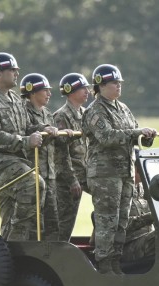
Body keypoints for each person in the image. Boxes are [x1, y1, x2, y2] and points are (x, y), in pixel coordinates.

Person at [82, 64, 156, 275]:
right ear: (101, 86)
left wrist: (146, 137)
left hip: (125, 172)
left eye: (119, 83)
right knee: (107, 219)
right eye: (114, 83)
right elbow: (106, 137)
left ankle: (116, 261)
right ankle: (104, 263)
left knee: (122, 220)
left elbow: (135, 135)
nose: (118, 86)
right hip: (105, 174)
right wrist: (136, 132)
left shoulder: (123, 108)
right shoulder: (94, 111)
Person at [0, 52, 44, 241]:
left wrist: (45, 130)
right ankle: (16, 240)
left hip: (17, 159)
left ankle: (5, 254)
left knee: (10, 208)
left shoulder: (15, 99)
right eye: (12, 70)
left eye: (16, 70)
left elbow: (26, 127)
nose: (16, 73)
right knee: (33, 185)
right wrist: (27, 141)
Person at [20, 73, 62, 241]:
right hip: (32, 173)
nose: (49, 94)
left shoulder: (47, 113)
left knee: (52, 222)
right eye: (45, 90)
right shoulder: (22, 110)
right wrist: (45, 128)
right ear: (32, 92)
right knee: (34, 222)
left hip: (49, 174)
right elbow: (26, 129)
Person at [54, 73, 91, 241]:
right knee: (64, 224)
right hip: (69, 178)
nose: (87, 91)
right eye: (82, 88)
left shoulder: (86, 113)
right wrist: (71, 180)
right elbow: (60, 153)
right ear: (70, 92)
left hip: (86, 172)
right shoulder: (61, 116)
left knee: (109, 204)